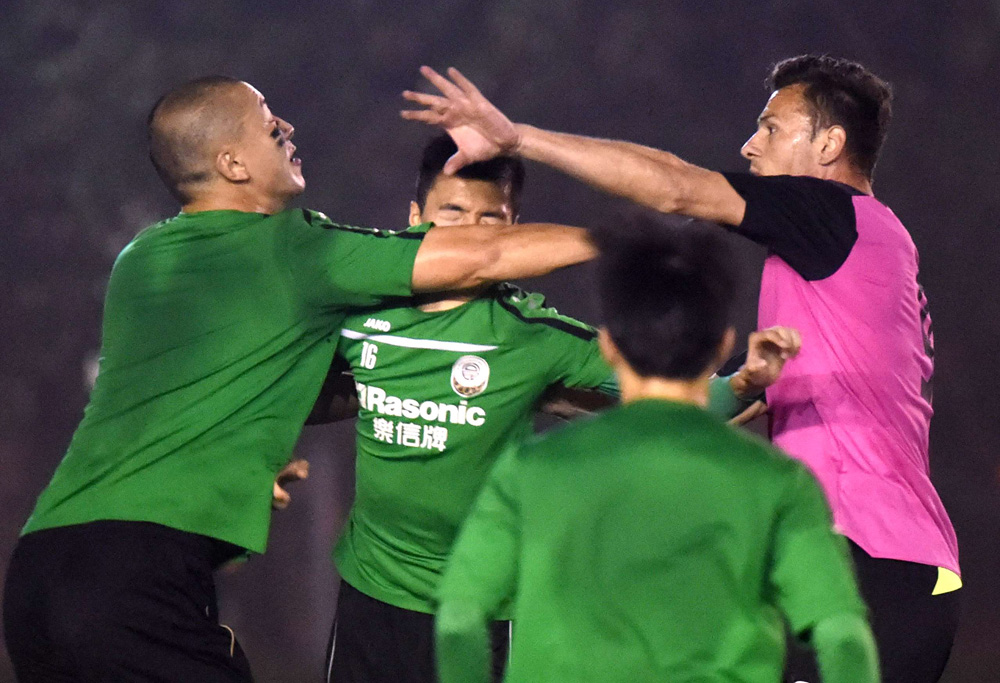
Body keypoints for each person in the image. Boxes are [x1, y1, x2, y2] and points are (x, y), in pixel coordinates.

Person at [2, 76, 603, 682]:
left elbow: (186, 390)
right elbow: (484, 256)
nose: (286, 130)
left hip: (38, 575)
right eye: (270, 126)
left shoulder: (140, 259)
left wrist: (238, 460)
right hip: (136, 582)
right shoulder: (294, 250)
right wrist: (627, 235)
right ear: (233, 164)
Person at [403, 56, 960, 681]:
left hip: (870, 563)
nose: (750, 145)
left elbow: (675, 188)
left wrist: (518, 138)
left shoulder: (834, 215)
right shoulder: (852, 255)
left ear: (829, 144)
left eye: (772, 128)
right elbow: (718, 402)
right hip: (896, 565)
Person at [315, 134, 800, 683]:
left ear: (518, 228)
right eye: (452, 213)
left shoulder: (534, 335)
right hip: (370, 594)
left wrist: (743, 383)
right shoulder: (361, 312)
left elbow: (668, 400)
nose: (473, 233)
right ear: (414, 217)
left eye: (491, 219)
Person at [434, 216, 878, 683]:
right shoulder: (779, 481)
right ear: (723, 345)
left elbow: (459, 622)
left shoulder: (531, 469)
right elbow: (843, 637)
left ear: (609, 345)